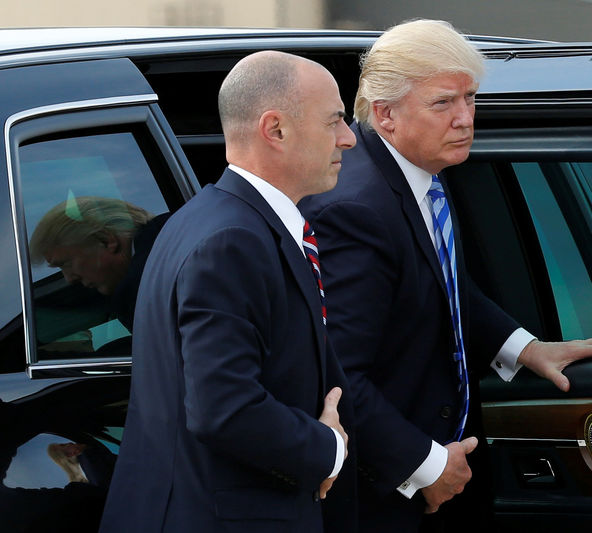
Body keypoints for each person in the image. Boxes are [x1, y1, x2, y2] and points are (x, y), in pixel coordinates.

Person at [298, 19, 592, 532]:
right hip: (384, 495)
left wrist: (524, 348)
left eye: (470, 99)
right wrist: (425, 466)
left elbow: (439, 285)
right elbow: (339, 376)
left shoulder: (416, 171)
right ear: (384, 113)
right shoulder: (356, 208)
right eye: (443, 103)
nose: (465, 119)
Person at [99, 51, 356, 533]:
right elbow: (225, 408)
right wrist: (327, 449)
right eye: (335, 121)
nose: (349, 138)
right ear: (275, 129)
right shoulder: (232, 241)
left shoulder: (201, 221)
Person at [29, 196, 169, 331]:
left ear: (106, 240)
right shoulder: (167, 259)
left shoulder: (160, 289)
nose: (69, 279)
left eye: (66, 263)